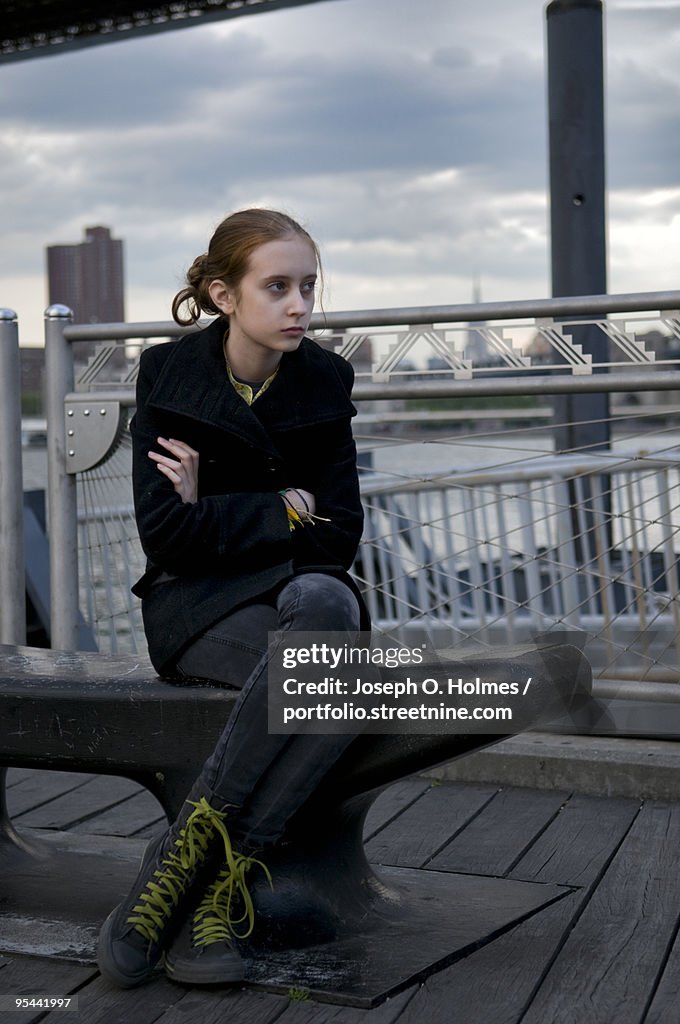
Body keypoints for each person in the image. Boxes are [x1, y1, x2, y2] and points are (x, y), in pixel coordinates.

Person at [97, 208, 369, 989]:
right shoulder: (170, 376)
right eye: (276, 287)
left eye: (308, 287)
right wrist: (288, 503)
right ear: (223, 294)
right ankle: (209, 888)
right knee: (336, 687)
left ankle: (181, 877)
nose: (299, 307)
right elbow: (167, 539)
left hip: (295, 597)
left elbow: (340, 534)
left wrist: (220, 503)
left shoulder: (323, 379)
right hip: (197, 608)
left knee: (327, 601)